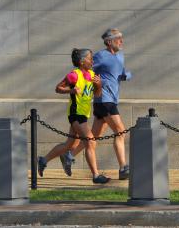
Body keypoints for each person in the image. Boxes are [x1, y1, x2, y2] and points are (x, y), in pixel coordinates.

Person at [60, 28, 132, 180]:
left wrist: (126, 75)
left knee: (94, 137)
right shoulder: (100, 56)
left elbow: (119, 72)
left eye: (122, 38)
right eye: (118, 38)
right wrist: (99, 83)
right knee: (120, 131)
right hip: (104, 100)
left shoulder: (120, 55)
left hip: (112, 98)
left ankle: (69, 155)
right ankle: (123, 167)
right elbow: (86, 71)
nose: (121, 41)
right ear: (109, 42)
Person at [38, 48, 110, 184]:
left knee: (69, 145)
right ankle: (96, 175)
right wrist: (71, 90)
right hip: (75, 114)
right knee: (90, 141)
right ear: (82, 62)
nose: (93, 61)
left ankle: (43, 159)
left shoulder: (92, 74)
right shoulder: (74, 75)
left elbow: (98, 95)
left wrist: (99, 84)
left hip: (84, 114)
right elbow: (58, 88)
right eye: (90, 58)